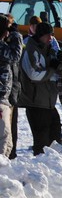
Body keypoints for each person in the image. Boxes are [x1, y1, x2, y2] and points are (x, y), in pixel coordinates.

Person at [19, 22, 62, 155]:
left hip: (49, 103)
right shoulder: (30, 49)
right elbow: (33, 74)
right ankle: (40, 167)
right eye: (48, 35)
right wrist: (52, 69)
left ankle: (54, 167)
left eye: (52, 35)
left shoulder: (50, 49)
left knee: (56, 137)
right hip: (35, 103)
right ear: (40, 35)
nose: (51, 39)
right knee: (41, 143)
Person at [0, 15, 24, 159]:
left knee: (7, 142)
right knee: (3, 140)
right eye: (7, 29)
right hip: (0, 98)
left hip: (4, 98)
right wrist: (16, 35)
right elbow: (15, 56)